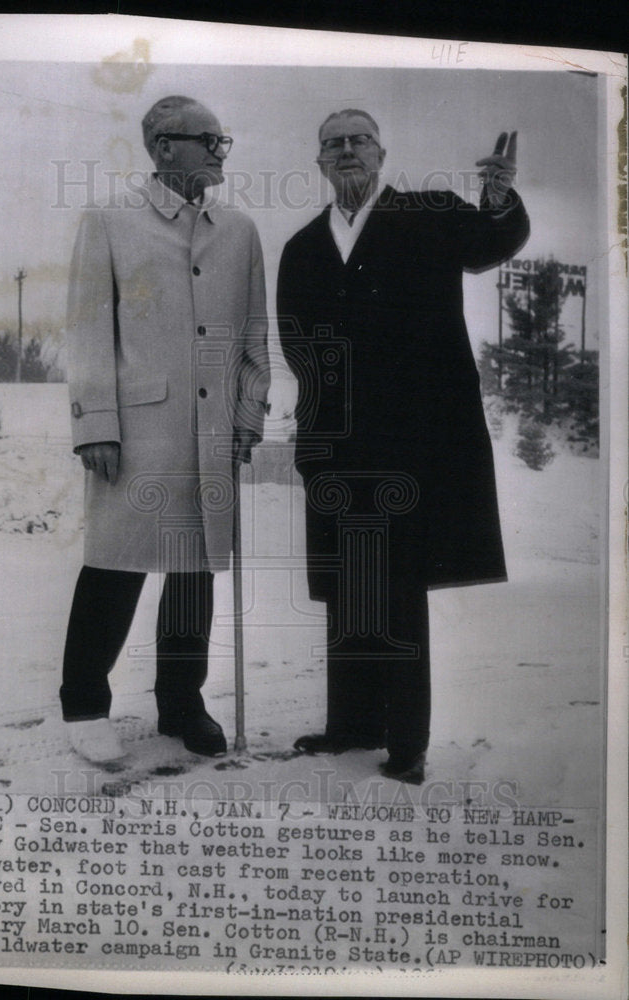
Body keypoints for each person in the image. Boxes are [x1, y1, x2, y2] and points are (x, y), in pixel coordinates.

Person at [277, 109, 529, 783]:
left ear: (382, 151)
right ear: (321, 161)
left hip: (417, 445)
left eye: (360, 138)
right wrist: (315, 433)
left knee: (396, 590)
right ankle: (351, 724)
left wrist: (499, 202)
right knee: (348, 588)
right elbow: (298, 346)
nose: (348, 149)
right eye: (335, 142)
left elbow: (488, 244)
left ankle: (407, 744)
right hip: (338, 442)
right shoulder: (303, 247)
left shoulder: (431, 213)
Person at [61, 95, 269, 763]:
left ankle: (182, 702)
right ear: (161, 148)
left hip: (211, 434)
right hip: (136, 430)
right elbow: (89, 331)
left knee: (193, 569)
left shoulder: (238, 231)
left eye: (221, 141)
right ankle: (85, 703)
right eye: (206, 140)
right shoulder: (110, 220)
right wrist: (96, 422)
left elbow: (252, 340)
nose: (218, 152)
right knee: (115, 562)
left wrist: (247, 414)